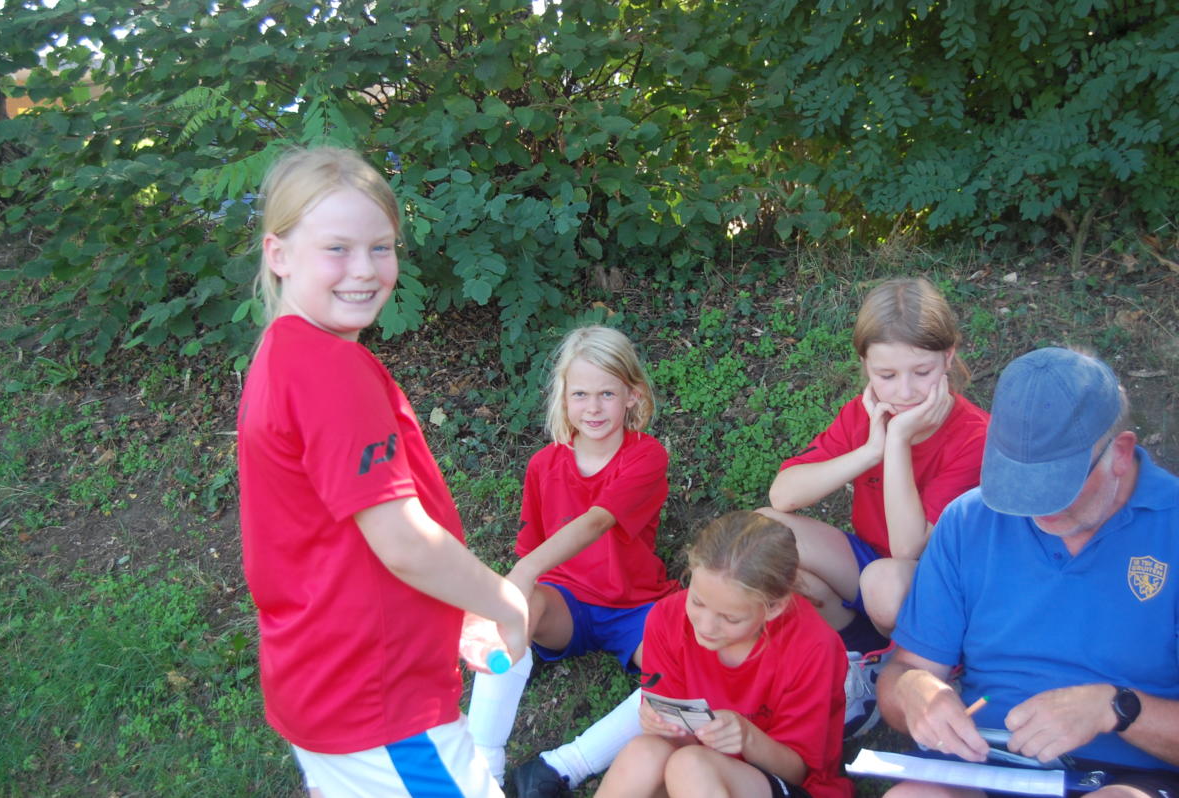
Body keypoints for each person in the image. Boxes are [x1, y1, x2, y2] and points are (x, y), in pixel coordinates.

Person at [236, 146, 529, 798]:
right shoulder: (328, 370)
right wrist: (504, 601)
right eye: (337, 249)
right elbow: (403, 544)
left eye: (381, 247)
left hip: (326, 678)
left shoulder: (286, 353)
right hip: (373, 698)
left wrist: (455, 610)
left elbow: (334, 543)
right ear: (279, 253)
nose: (365, 270)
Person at [876, 347, 1179, 798]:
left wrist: (1117, 709)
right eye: (1017, 480)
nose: (1034, 506)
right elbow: (903, 672)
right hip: (985, 763)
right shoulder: (970, 519)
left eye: (1057, 486)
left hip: (1122, 777)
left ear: (1120, 453)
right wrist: (914, 692)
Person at [757, 278, 989, 735]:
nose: (905, 392)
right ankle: (864, 658)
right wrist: (869, 450)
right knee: (766, 535)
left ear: (949, 357)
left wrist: (897, 440)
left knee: (884, 580)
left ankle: (933, 664)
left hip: (944, 589)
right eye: (887, 376)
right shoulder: (862, 416)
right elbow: (782, 496)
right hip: (872, 569)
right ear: (865, 365)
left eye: (921, 372)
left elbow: (908, 549)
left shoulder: (974, 436)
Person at [467, 325, 677, 797]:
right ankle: (480, 769)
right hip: (565, 603)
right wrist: (520, 591)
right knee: (515, 608)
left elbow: (597, 521)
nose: (594, 408)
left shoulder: (646, 456)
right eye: (580, 394)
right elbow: (532, 552)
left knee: (683, 675)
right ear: (563, 398)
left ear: (633, 396)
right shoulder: (544, 465)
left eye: (607, 393)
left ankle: (561, 767)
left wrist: (522, 573)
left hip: (634, 606)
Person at [594, 511, 853, 798]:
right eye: (697, 601)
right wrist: (662, 726)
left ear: (774, 608)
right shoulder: (667, 619)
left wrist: (748, 737)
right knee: (645, 753)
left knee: (691, 766)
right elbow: (675, 741)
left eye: (730, 618)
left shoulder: (813, 647)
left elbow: (797, 773)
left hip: (786, 785)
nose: (705, 627)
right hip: (697, 778)